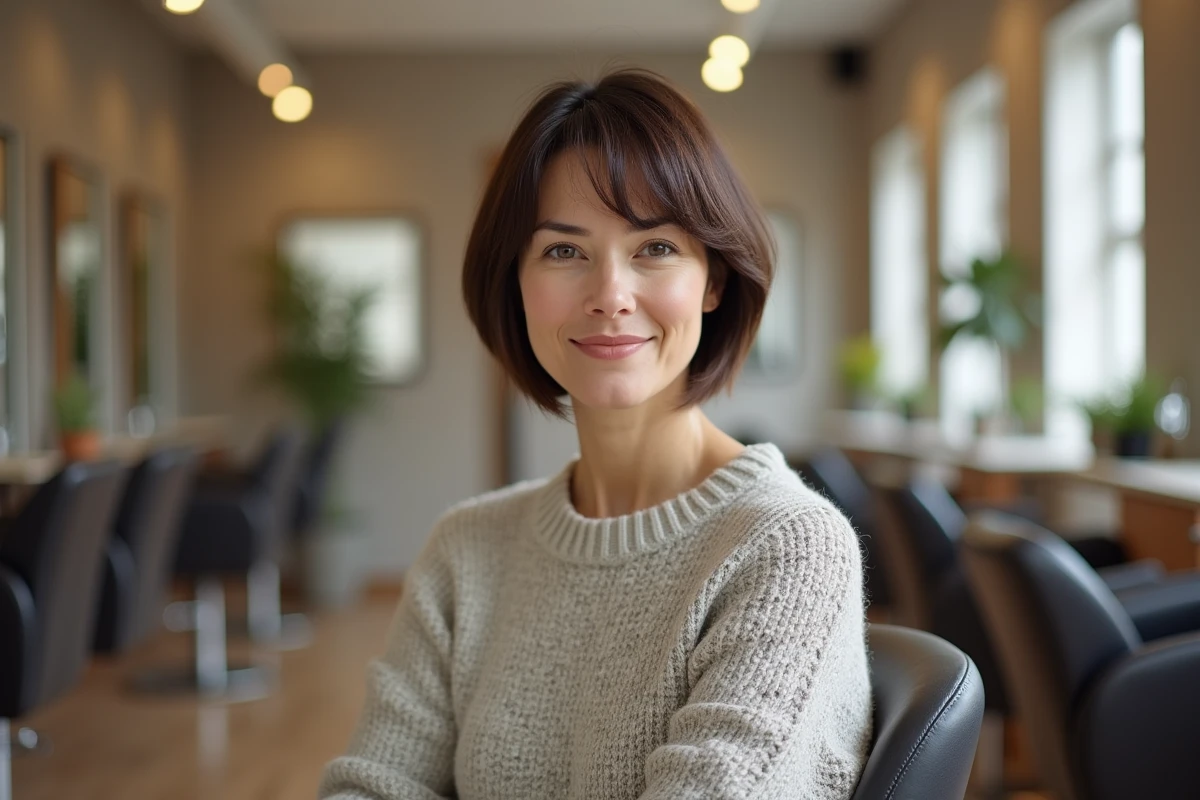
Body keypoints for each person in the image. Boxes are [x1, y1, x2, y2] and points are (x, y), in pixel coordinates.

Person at [319, 68, 872, 800]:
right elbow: (372, 786)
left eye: (656, 248)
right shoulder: (467, 551)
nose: (610, 295)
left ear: (713, 281)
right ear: (516, 286)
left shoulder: (786, 547)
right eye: (563, 251)